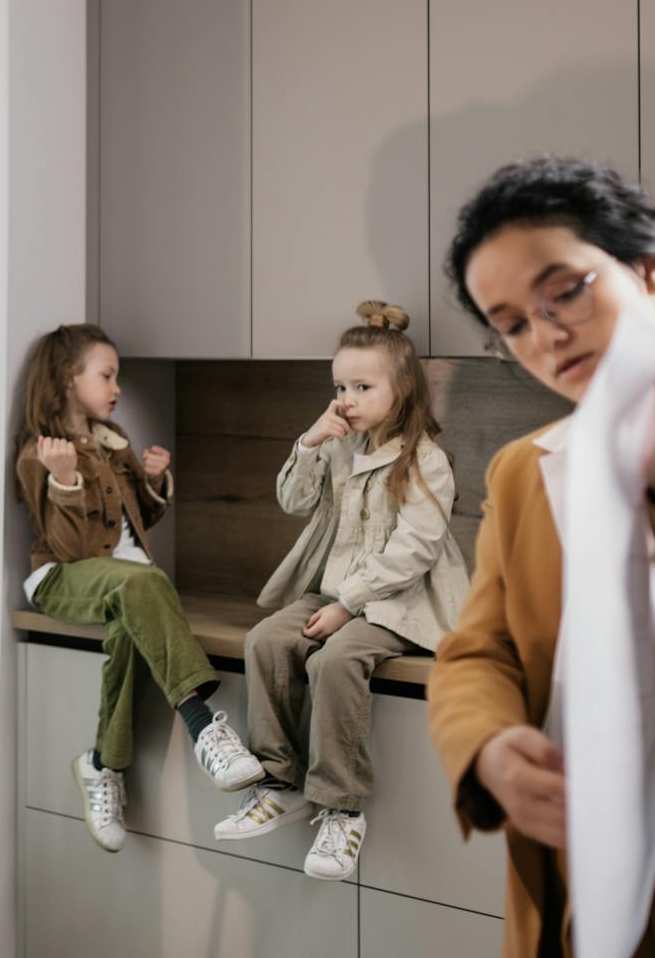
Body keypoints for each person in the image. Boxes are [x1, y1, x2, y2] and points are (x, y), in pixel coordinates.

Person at [428, 155, 655, 956]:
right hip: (564, 915)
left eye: (566, 289)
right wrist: (486, 748)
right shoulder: (526, 470)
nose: (544, 335)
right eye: (511, 323)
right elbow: (478, 651)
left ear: (649, 267)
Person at [214, 302, 465, 881]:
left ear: (402, 387)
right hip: (335, 594)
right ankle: (279, 781)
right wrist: (308, 442)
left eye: (362, 385)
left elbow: (414, 551)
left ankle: (341, 808)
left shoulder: (425, 460)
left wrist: (347, 606)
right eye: (339, 386)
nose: (346, 398)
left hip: (401, 602)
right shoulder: (338, 444)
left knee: (338, 659)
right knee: (265, 641)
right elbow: (293, 502)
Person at [15, 322, 264, 854]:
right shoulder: (41, 453)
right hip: (64, 578)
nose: (117, 387)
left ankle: (102, 764)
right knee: (140, 583)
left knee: (135, 603)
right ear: (67, 378)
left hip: (129, 583)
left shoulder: (114, 443)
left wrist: (154, 482)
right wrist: (63, 482)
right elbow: (69, 547)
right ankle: (204, 729)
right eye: (106, 375)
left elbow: (140, 518)